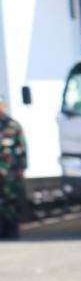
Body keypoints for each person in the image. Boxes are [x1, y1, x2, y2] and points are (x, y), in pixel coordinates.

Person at [0, 96, 24, 240]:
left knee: (11, 202)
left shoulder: (13, 126)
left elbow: (22, 150)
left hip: (10, 174)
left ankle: (13, 231)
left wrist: (21, 169)